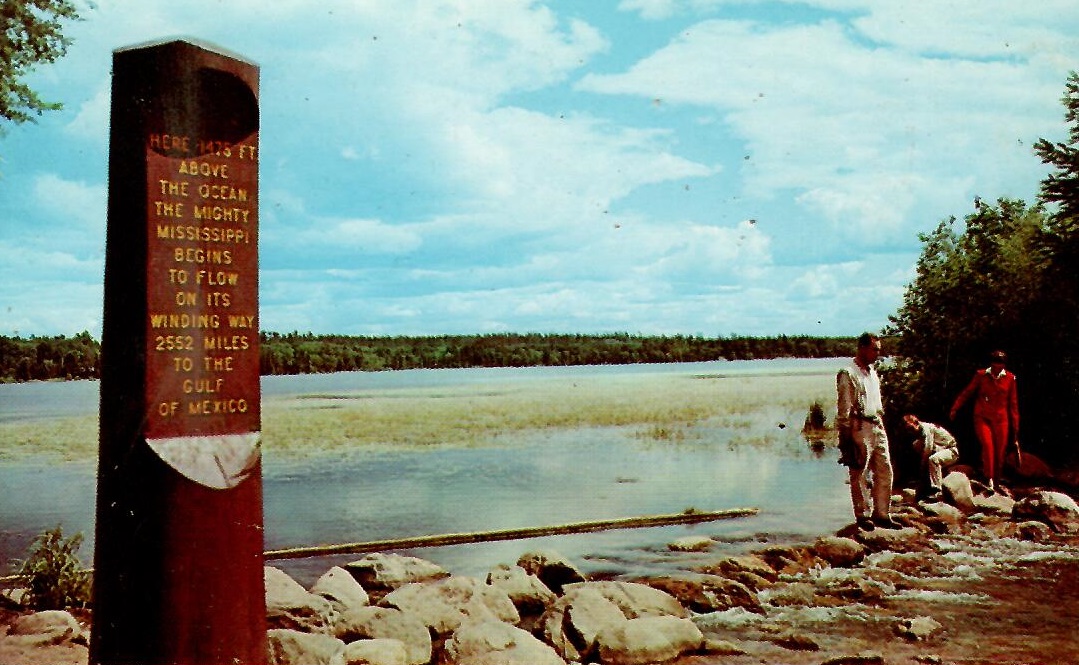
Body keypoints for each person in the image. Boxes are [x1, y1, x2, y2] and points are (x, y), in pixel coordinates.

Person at [836, 333, 898, 530]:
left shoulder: (871, 371)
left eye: (879, 349)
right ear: (862, 348)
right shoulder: (848, 373)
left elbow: (876, 402)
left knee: (885, 469)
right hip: (859, 426)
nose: (878, 353)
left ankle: (882, 513)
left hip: (876, 423)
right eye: (875, 349)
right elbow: (844, 409)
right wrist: (845, 438)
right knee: (860, 472)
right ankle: (863, 515)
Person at [949, 349, 1019, 493]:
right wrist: (955, 408)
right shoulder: (981, 375)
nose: (997, 365)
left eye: (1000, 363)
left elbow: (1013, 404)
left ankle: (997, 481)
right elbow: (968, 392)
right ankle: (989, 479)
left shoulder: (1010, 378)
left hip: (1001, 420)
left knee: (1000, 453)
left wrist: (1015, 429)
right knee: (988, 447)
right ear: (991, 362)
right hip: (982, 418)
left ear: (1004, 364)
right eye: (995, 362)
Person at [902, 414, 959, 500]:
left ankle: (937, 490)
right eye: (908, 430)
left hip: (951, 451)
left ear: (916, 423)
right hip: (940, 449)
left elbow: (928, 448)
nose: (910, 432)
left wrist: (923, 465)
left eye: (911, 428)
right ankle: (926, 487)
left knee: (933, 459)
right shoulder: (920, 433)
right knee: (916, 444)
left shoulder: (927, 429)